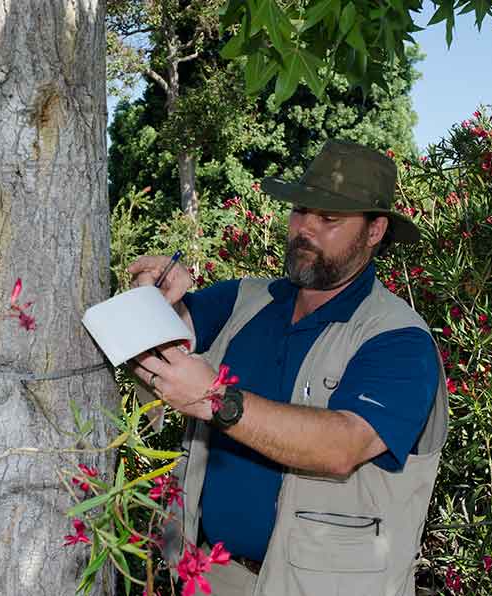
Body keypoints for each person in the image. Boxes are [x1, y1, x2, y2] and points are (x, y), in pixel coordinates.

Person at [127, 139, 448, 596]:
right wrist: (152, 298)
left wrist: (217, 399)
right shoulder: (244, 300)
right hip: (211, 576)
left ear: (375, 231)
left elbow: (342, 445)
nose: (305, 229)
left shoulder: (398, 339)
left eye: (329, 219)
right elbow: (154, 347)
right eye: (300, 211)